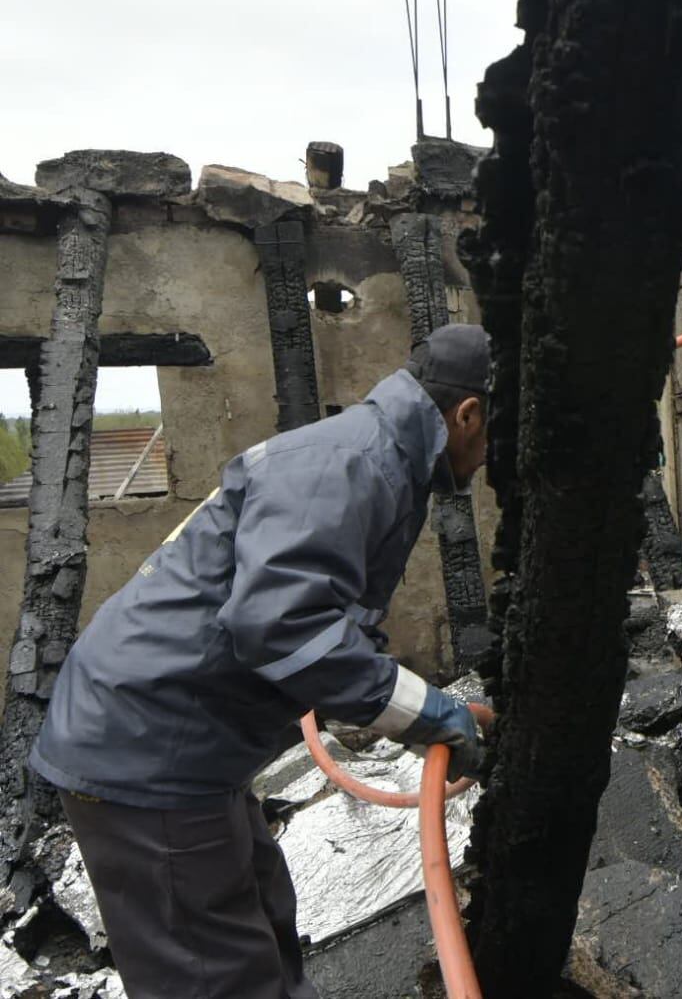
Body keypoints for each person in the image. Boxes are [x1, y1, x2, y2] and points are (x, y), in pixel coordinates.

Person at [30, 324, 494, 999]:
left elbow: (317, 611)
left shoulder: (368, 455)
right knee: (212, 974)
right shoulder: (356, 463)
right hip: (146, 749)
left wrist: (384, 690)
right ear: (467, 414)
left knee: (262, 920)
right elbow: (278, 625)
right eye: (490, 441)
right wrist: (420, 709)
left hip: (178, 742)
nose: (485, 461)